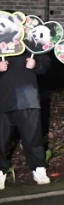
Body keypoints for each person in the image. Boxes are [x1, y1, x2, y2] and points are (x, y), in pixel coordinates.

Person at [0, 49, 51, 188]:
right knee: (1, 139)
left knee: (33, 137)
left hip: (28, 98)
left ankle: (38, 168)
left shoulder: (29, 41)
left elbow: (45, 64)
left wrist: (36, 64)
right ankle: (0, 171)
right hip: (3, 99)